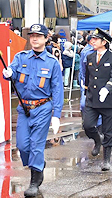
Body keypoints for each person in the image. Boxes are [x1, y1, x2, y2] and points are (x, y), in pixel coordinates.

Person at [2, 24, 63, 196]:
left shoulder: (52, 63)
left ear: (45, 39)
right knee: (22, 145)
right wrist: (7, 73)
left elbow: (58, 89)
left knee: (36, 145)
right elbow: (11, 73)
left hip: (43, 107)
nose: (34, 39)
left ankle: (35, 181)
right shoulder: (20, 57)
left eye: (38, 36)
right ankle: (38, 164)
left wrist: (56, 115)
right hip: (24, 108)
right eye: (32, 36)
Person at [83, 28, 112, 171]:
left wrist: (107, 88)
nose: (92, 41)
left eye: (95, 39)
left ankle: (106, 159)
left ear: (104, 42)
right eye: (91, 39)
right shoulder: (90, 57)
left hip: (107, 100)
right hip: (92, 99)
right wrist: (86, 90)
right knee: (87, 125)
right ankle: (97, 140)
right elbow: (88, 76)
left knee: (108, 130)